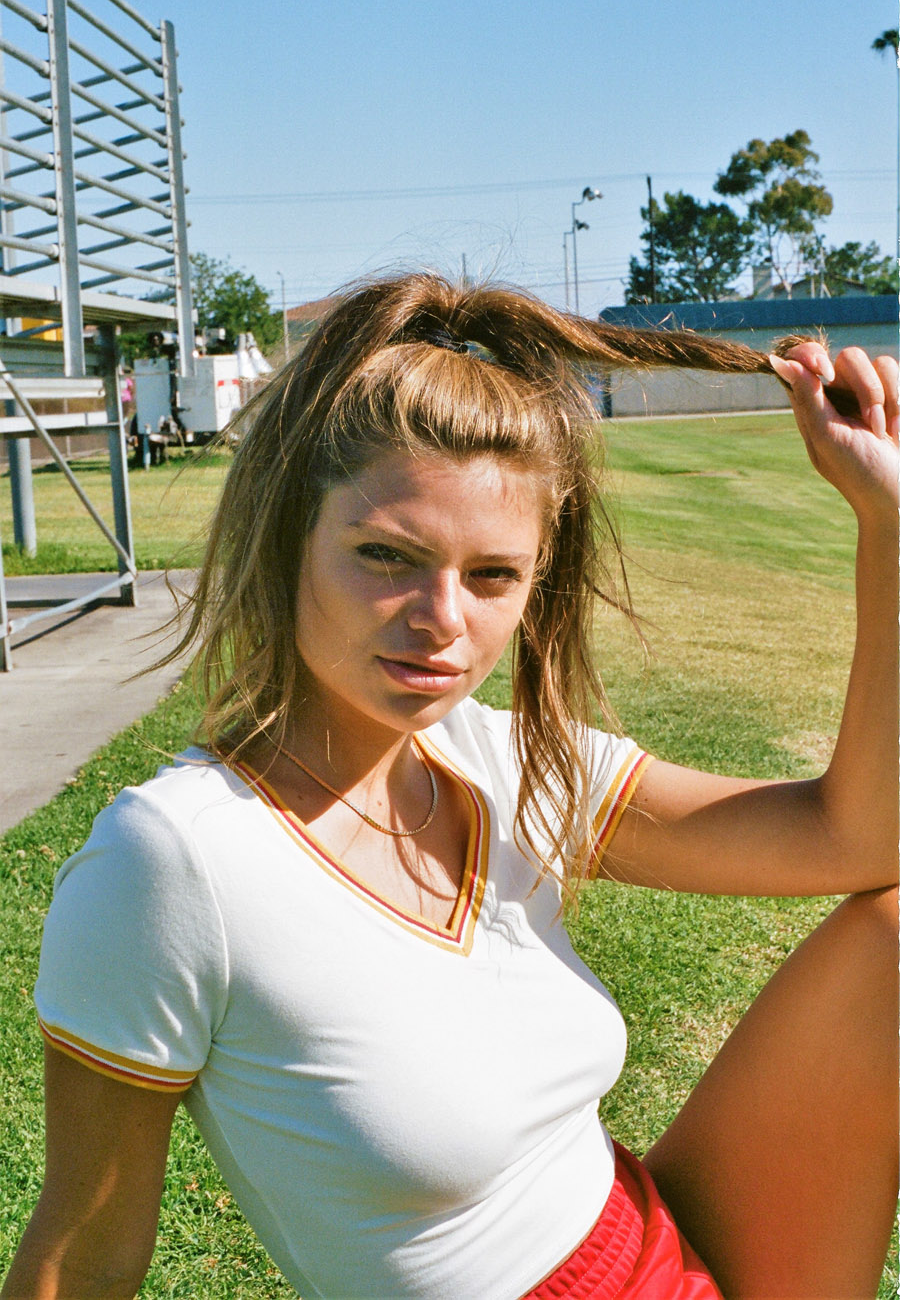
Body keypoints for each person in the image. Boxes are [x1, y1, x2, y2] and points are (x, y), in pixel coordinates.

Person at [3, 273, 897, 1299]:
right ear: (290, 538)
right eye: (387, 555)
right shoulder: (176, 860)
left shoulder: (507, 758)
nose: (442, 620)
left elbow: (861, 839)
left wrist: (889, 520)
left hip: (663, 1248)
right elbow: (83, 1253)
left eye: (492, 575)